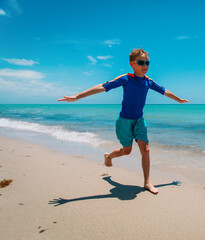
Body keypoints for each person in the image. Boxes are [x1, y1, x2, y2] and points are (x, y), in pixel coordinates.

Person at [57, 49, 189, 194]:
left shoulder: (148, 81)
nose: (145, 65)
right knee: (127, 151)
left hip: (139, 120)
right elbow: (102, 86)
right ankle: (109, 156)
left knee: (145, 150)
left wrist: (178, 99)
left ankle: (147, 182)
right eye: (141, 62)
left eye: (147, 62)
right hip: (124, 121)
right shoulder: (127, 78)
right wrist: (77, 96)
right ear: (132, 64)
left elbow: (164, 91)